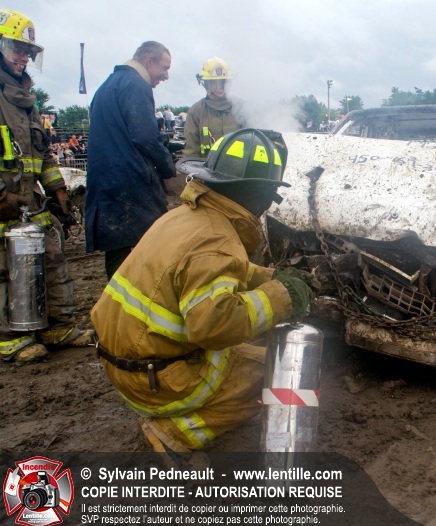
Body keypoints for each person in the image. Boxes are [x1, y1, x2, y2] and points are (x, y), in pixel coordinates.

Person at [91, 128, 313, 452]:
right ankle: (176, 433)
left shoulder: (184, 218)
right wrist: (283, 296)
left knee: (249, 351)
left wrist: (271, 277)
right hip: (156, 382)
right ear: (259, 194)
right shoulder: (218, 240)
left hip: (125, 364)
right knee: (279, 373)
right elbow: (215, 325)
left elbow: (211, 271)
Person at [0, 10, 93, 363]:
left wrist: (59, 193)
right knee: (5, 272)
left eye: (28, 51)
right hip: (3, 204)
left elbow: (43, 156)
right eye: (17, 49)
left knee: (52, 260)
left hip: (29, 202)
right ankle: (11, 340)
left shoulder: (27, 101)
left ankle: (58, 327)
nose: (24, 57)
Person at [84, 41, 176, 279]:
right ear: (149, 61)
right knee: (155, 244)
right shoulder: (135, 85)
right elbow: (145, 136)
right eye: (164, 68)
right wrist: (168, 167)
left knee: (118, 254)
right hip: (131, 184)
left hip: (107, 185)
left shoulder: (106, 86)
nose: (166, 76)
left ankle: (115, 300)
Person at [183, 57, 244, 158]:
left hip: (238, 167)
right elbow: (191, 151)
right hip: (205, 167)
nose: (219, 87)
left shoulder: (241, 108)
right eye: (213, 83)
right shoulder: (196, 111)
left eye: (223, 82)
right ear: (206, 84)